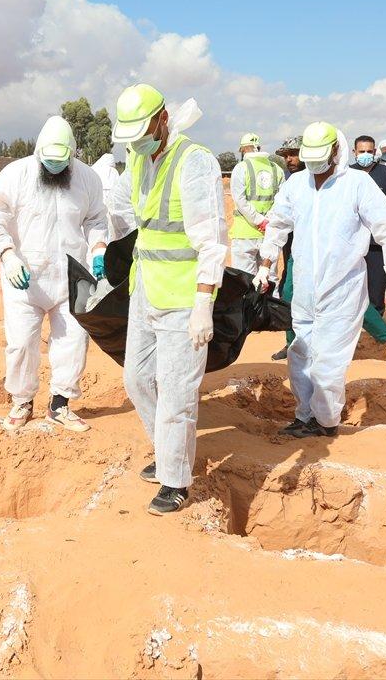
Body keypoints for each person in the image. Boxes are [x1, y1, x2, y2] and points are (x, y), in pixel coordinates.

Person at [107, 83, 227, 515]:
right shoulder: (138, 159)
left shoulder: (194, 162)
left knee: (177, 393)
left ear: (162, 119)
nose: (136, 143)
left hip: (184, 297)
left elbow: (211, 241)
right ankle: (168, 448)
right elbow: (118, 205)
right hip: (146, 290)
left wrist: (203, 302)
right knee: (136, 379)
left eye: (142, 133)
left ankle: (175, 480)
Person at [254, 122, 386, 438]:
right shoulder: (297, 185)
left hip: (343, 290)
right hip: (305, 289)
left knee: (328, 363)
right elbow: (277, 226)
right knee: (300, 354)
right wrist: (265, 266)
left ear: (336, 151)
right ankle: (305, 415)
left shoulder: (356, 185)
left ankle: (325, 422)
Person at [0, 115, 108, 434]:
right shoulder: (15, 174)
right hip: (24, 278)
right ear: (38, 153)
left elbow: (96, 219)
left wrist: (99, 248)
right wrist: (7, 255)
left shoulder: (87, 179)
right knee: (21, 343)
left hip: (69, 277)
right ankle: (22, 400)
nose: (54, 167)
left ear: (72, 155)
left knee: (74, 341)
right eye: (48, 161)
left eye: (60, 162)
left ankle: (60, 404)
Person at [350, 135, 386, 366]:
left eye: (369, 151)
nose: (365, 155)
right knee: (352, 292)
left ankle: (377, 331)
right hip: (355, 244)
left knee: (375, 293)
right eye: (361, 151)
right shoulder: (348, 175)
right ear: (354, 152)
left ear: (374, 152)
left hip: (378, 245)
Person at [229, 133, 280, 274]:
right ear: (259, 147)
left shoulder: (241, 168)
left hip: (244, 232)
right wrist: (266, 221)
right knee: (269, 279)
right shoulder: (277, 169)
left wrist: (259, 221)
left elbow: (240, 200)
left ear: (243, 149)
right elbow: (281, 201)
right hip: (269, 232)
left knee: (244, 280)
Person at [271, 139, 303, 361]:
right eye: (286, 155)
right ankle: (291, 343)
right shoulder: (289, 182)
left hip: (322, 253)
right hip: (293, 250)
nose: (288, 159)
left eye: (293, 154)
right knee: (289, 295)